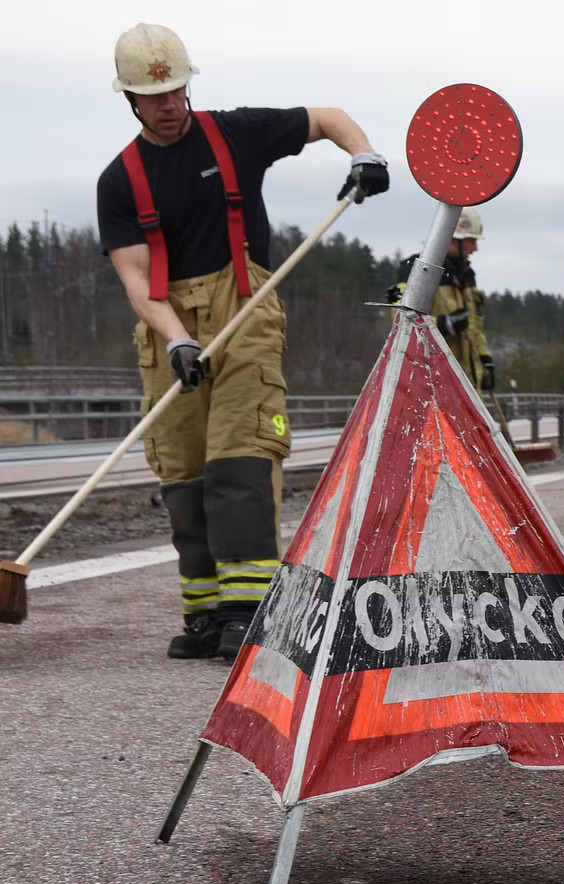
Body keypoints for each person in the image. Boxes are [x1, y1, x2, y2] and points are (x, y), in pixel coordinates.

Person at [96, 23, 388, 660]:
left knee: (239, 459)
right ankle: (204, 612)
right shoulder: (119, 180)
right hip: (168, 323)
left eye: (177, 90)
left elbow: (328, 118)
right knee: (182, 468)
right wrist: (176, 339)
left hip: (245, 311)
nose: (170, 104)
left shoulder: (235, 133)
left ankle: (249, 610)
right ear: (130, 100)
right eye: (155, 97)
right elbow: (136, 278)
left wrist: (363, 153)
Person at [389, 207, 491, 392]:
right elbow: (400, 318)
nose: (475, 248)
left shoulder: (466, 277)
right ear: (452, 238)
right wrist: (445, 325)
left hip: (465, 386)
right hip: (430, 384)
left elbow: (475, 329)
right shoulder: (417, 270)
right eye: (471, 241)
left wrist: (485, 360)